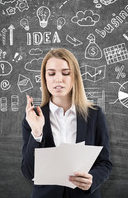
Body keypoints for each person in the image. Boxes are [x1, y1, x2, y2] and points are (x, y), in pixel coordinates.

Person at [21, 48, 112, 198]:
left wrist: (92, 180)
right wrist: (36, 133)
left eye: (65, 73)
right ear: (44, 78)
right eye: (51, 74)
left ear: (75, 77)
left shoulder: (94, 115)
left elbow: (105, 163)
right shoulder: (33, 117)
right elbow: (28, 172)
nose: (58, 79)